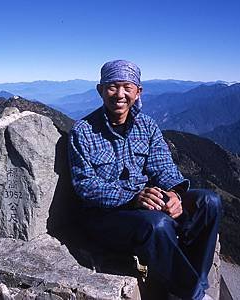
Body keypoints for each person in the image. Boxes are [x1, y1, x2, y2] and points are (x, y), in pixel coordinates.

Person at [68, 60, 221, 300]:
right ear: (100, 90)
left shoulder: (147, 126)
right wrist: (132, 198)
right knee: (157, 225)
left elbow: (164, 167)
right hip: (104, 217)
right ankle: (193, 295)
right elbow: (85, 186)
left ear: (138, 92)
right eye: (112, 87)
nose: (120, 94)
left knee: (209, 202)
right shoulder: (84, 131)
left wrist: (175, 195)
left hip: (144, 206)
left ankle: (196, 282)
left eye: (127, 87)